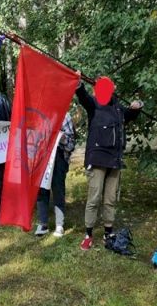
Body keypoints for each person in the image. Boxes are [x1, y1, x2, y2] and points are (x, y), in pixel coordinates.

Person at [75, 77, 143, 251]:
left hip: (115, 160)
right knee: (94, 198)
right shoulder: (93, 104)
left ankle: (108, 232)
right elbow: (83, 97)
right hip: (97, 158)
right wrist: (78, 84)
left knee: (110, 199)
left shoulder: (118, 108)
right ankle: (88, 235)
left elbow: (131, 114)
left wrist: (137, 106)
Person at [35, 112, 76, 237]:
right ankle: (43, 223)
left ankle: (59, 224)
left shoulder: (65, 115)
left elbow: (71, 144)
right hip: (41, 156)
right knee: (41, 189)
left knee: (58, 189)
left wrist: (62, 139)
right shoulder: (39, 113)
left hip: (59, 158)